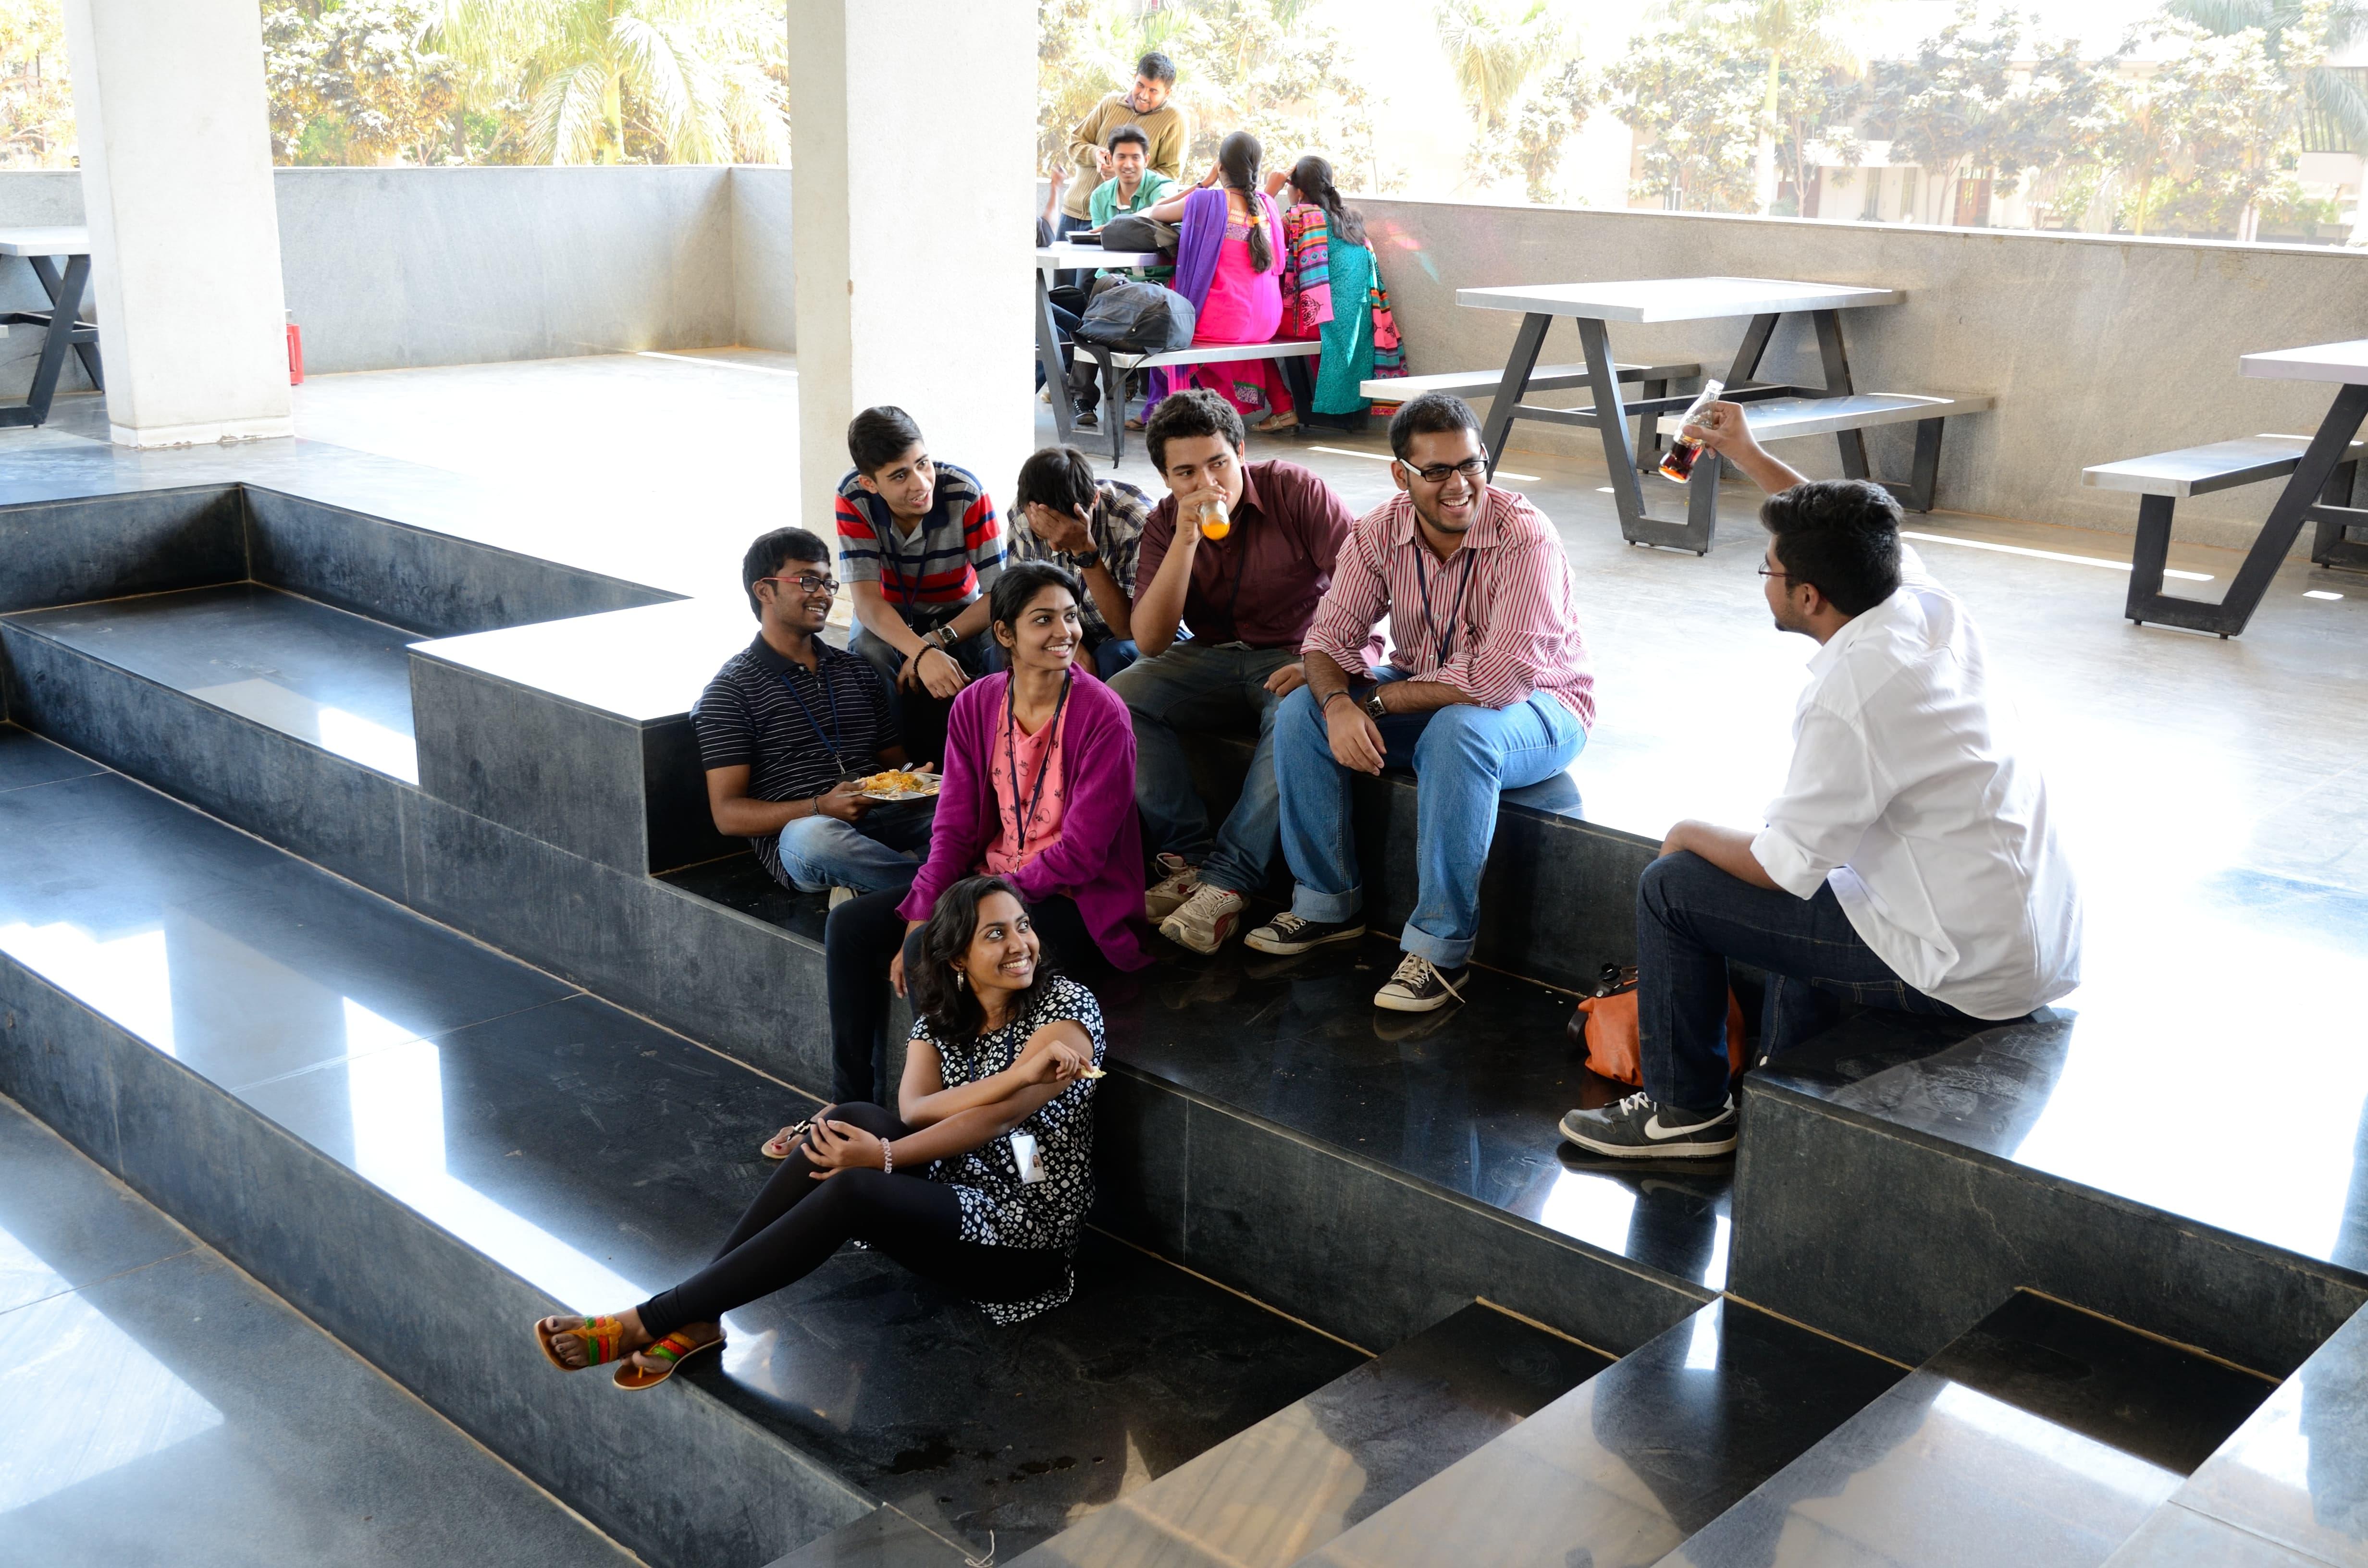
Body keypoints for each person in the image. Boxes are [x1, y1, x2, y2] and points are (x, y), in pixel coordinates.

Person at [1558, 403, 2082, 1161]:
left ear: (1809, 596)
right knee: (1822, 886)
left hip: (1962, 972)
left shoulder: (1851, 693)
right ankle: (1777, 1085)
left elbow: (1781, 867)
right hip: (2026, 946)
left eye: (1769, 567)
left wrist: (1684, 835)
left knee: (1674, 887)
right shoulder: (1926, 606)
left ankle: (1686, 1115)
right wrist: (1747, 451)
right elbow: (1848, 533)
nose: (1764, 577)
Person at [532, 875, 1107, 1387]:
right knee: (846, 1117)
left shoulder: (1067, 1010)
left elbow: (998, 1117)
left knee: (856, 1183)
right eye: (995, 935)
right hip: (952, 1195)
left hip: (1022, 1240)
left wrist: (884, 1158)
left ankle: (651, 1319)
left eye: (1023, 927)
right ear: (957, 957)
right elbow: (913, 1109)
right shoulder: (942, 1017)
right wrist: (1004, 1080)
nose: (1020, 946)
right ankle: (701, 1313)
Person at [1244, 392, 1594, 1013]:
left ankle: (1440, 950)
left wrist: (1370, 703)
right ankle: (1327, 907)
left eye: (1471, 464)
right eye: (1436, 471)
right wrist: (1339, 704)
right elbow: (1325, 640)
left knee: (1457, 733)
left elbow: (1499, 680)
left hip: (1543, 708)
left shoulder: (1525, 537)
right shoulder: (1380, 531)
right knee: (1302, 707)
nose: (1459, 485)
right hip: (1431, 689)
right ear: (1401, 475)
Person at [826, 562, 1151, 1103]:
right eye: (1042, 620)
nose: (1064, 633)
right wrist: (920, 909)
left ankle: (943, 1117)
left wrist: (964, 910)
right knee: (851, 927)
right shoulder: (977, 705)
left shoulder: (1103, 715)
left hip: (1074, 902)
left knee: (931, 950)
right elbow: (952, 829)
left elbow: (1082, 854)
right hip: (988, 883)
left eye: (1070, 617)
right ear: (1005, 633)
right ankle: (852, 1106)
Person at [1110, 387, 1363, 955]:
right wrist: (1183, 541)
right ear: (1167, 478)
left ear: (1241, 451)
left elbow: (1364, 584)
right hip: (1213, 655)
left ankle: (1228, 880)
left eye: (1218, 462)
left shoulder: (1295, 491)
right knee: (1119, 697)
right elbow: (1149, 641)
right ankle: (1187, 859)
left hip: (1298, 654)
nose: (1208, 482)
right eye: (1186, 472)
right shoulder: (1163, 524)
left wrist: (1327, 662)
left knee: (1297, 716)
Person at [695, 527, 933, 902]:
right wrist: (819, 806)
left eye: (827, 583)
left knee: (966, 801)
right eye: (808, 581)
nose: (823, 594)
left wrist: (914, 786)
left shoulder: (856, 670)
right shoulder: (730, 691)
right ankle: (943, 890)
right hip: (809, 833)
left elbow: (896, 764)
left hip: (884, 816)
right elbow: (728, 815)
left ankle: (876, 884)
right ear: (764, 591)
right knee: (813, 838)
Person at [837, 406, 1005, 768]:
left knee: (1007, 642)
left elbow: (999, 597)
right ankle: (897, 770)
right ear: (870, 483)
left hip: (963, 613)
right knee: (869, 647)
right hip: (890, 612)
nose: (921, 483)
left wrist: (934, 643)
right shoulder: (853, 498)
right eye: (900, 476)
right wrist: (922, 654)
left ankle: (994, 759)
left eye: (923, 464)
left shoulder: (966, 492)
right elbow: (866, 602)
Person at [1140, 131, 1292, 433]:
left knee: (1166, 318)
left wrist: (1203, 184)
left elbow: (1150, 213)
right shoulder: (1268, 205)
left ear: (1220, 166)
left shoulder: (1206, 200)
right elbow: (1280, 263)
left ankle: (1160, 413)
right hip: (1266, 322)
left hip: (1225, 324)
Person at [1271, 155, 1406, 434]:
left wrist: (1268, 191)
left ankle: (1281, 407)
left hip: (1318, 324)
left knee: (1256, 328)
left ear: (1298, 190)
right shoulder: (1350, 219)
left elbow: (1264, 237)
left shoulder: (1299, 216)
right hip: (1358, 325)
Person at [1008, 443, 1150, 680]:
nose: (1054, 547)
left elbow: (1129, 630)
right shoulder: (1025, 515)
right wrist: (1070, 644)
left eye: (1065, 534)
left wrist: (1084, 550)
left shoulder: (1135, 522)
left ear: (1094, 499)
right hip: (1060, 629)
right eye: (1045, 534)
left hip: (1120, 636)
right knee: (1006, 651)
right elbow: (1020, 603)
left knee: (1116, 657)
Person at [1059, 52, 1188, 254]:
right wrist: (1095, 154)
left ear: (1167, 93)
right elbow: (1075, 143)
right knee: (1060, 286)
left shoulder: (1174, 119)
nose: (1144, 95)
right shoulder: (1110, 103)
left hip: (1117, 225)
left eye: (1154, 91)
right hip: (1072, 212)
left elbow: (1170, 176)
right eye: (1140, 85)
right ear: (1135, 77)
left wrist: (1125, 175)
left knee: (1096, 284)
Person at [1087, 124, 1179, 284]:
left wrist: (1118, 226)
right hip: (1117, 280)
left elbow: (1159, 208)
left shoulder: (1163, 186)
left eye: (1135, 158)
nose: (1128, 165)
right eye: (1121, 157)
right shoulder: (1099, 197)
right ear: (1110, 159)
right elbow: (1104, 255)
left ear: (1146, 160)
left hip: (1162, 282)